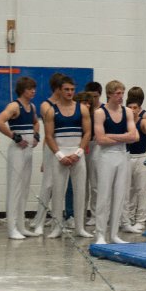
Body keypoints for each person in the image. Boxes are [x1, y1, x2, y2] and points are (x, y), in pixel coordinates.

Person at [43, 76, 91, 239]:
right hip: (60, 156)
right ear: (59, 90)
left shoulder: (82, 109)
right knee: (57, 192)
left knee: (80, 191)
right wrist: (59, 155)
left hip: (77, 155)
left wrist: (78, 153)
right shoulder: (51, 110)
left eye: (72, 89)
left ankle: (79, 227)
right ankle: (57, 227)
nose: (70, 92)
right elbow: (49, 136)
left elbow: (88, 133)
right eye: (66, 89)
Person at [93, 80, 138, 244]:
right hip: (106, 156)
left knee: (120, 195)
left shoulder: (127, 112)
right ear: (109, 94)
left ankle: (113, 234)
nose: (121, 97)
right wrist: (122, 137)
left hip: (122, 155)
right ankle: (100, 234)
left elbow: (133, 136)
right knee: (104, 196)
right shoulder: (100, 113)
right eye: (118, 93)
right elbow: (100, 140)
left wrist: (111, 136)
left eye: (122, 93)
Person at [0, 76, 40, 239]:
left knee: (24, 189)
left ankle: (21, 226)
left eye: (34, 88)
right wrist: (15, 137)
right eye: (30, 89)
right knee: (15, 189)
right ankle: (11, 228)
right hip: (17, 151)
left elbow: (36, 122)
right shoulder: (14, 105)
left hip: (28, 150)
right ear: (23, 90)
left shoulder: (32, 106)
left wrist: (36, 135)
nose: (34, 91)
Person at [29, 72, 64, 235]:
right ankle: (39, 222)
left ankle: (57, 220)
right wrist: (44, 158)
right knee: (47, 185)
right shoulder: (46, 105)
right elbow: (50, 131)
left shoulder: (68, 104)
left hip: (65, 147)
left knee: (60, 186)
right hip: (51, 146)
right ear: (58, 89)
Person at [122, 87, 146, 232]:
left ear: (139, 108)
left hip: (141, 157)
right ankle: (128, 218)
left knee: (142, 189)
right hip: (128, 157)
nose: (132, 109)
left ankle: (141, 219)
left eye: (135, 107)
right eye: (129, 107)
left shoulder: (143, 119)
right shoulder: (125, 120)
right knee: (129, 190)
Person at [84, 81, 103, 227]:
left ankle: (95, 214)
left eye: (95, 97)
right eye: (90, 97)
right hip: (84, 146)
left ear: (100, 95)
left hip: (97, 147)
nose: (93, 100)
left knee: (95, 184)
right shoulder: (85, 109)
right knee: (82, 183)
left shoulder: (103, 110)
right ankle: (80, 213)